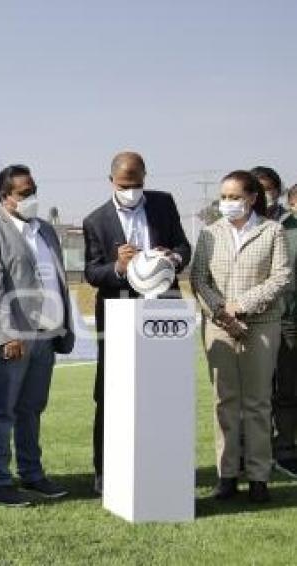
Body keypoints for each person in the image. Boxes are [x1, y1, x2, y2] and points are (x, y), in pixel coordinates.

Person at [0, 164, 75, 507]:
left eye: (33, 190)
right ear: (4, 197)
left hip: (45, 336)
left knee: (32, 408)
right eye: (24, 193)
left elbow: (55, 278)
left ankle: (32, 473)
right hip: (10, 339)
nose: (32, 198)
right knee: (2, 410)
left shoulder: (44, 229)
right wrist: (6, 334)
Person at [82, 151, 191, 495]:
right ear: (111, 180)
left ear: (146, 177)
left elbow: (183, 246)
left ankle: (161, 464)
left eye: (139, 184)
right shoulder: (95, 220)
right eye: (126, 185)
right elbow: (91, 272)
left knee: (162, 390)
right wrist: (118, 266)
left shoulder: (163, 203)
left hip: (164, 308)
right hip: (118, 311)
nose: (133, 191)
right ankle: (104, 470)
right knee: (110, 393)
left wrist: (172, 257)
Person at [190, 170, 290, 503]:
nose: (227, 202)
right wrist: (222, 312)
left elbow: (281, 278)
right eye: (224, 196)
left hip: (261, 326)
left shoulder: (272, 231)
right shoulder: (209, 233)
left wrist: (242, 306)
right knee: (225, 402)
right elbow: (199, 279)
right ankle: (227, 475)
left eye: (234, 196)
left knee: (258, 403)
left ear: (251, 197)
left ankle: (259, 476)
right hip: (219, 325)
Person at [250, 169, 297, 478]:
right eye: (258, 190)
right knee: (254, 392)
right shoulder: (244, 226)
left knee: (288, 391)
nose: (265, 195)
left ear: (278, 192)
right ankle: (252, 453)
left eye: (269, 190)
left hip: (288, 318)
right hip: (254, 320)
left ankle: (286, 451)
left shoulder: (291, 226)